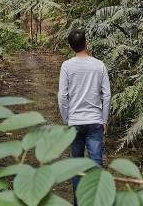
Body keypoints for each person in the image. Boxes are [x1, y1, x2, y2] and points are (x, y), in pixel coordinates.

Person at [57, 28, 111, 200]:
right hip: (95, 121)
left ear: (71, 46)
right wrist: (105, 119)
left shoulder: (66, 66)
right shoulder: (99, 65)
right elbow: (107, 94)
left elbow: (62, 96)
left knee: (77, 166)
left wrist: (67, 119)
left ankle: (79, 202)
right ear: (87, 43)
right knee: (96, 164)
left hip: (75, 122)